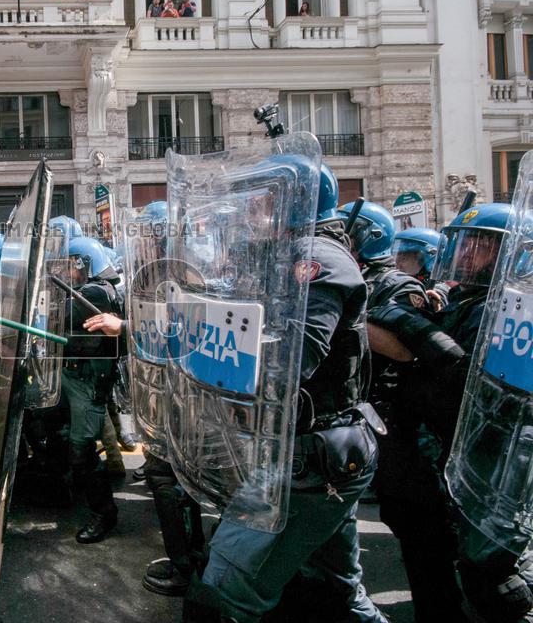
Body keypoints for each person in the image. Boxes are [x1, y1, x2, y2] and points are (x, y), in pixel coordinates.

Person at [182, 165, 388, 623]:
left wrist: (216, 351)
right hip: (302, 446)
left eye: (262, 199)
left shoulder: (318, 257)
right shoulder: (276, 255)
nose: (251, 209)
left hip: (312, 453)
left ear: (294, 202)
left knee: (224, 592)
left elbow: (295, 359)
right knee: (337, 592)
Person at [337, 201, 469, 623]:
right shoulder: (344, 276)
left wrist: (347, 314)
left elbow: (405, 349)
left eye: (347, 233)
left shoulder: (395, 285)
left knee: (420, 531)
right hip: (356, 417)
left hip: (399, 424)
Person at [424, 204, 533, 623]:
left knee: (493, 567)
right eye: (465, 243)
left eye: (482, 244)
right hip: (464, 446)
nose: (467, 253)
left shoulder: (509, 306)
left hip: (499, 454)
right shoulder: (470, 299)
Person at [59, 235, 124, 543]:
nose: (66, 271)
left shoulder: (94, 292)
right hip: (77, 377)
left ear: (83, 263)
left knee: (82, 450)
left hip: (87, 382)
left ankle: (104, 514)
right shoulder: (95, 288)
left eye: (70, 264)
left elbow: (61, 319)